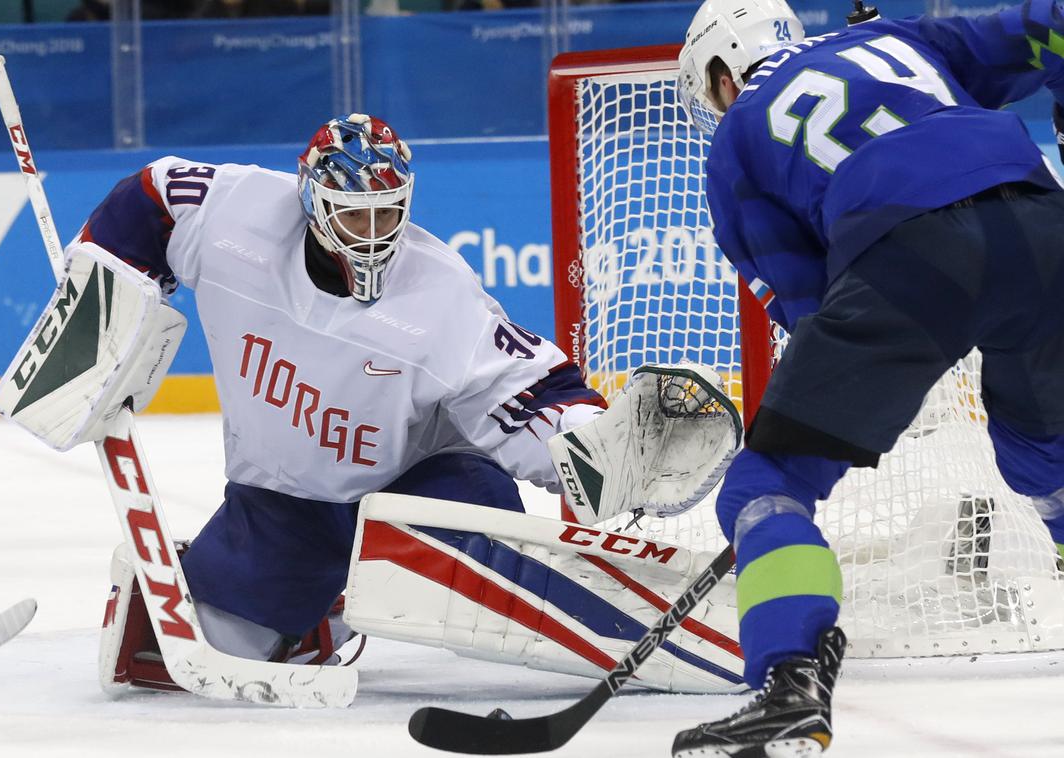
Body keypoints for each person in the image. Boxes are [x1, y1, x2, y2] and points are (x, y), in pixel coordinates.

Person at [68, 113, 613, 682]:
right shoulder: (236, 215)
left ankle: (397, 585)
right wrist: (98, 284)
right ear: (311, 199)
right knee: (194, 655)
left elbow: (523, 389)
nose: (373, 231)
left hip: (416, 491)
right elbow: (152, 194)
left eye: (388, 212)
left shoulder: (439, 291)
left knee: (473, 592)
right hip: (282, 500)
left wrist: (597, 445)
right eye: (355, 213)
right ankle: (327, 613)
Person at [671, 0, 1064, 754]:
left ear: (722, 74)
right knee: (1045, 458)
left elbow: (811, 306)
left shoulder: (736, 145)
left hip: (910, 258)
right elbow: (1047, 25)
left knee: (768, 484)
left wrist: (838, 401)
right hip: (1045, 225)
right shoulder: (894, 34)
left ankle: (790, 682)